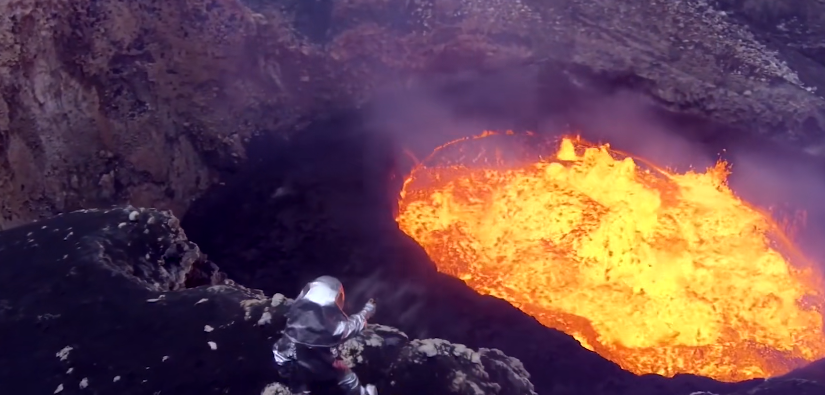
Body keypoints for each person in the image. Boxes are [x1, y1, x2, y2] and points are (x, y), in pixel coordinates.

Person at [272, 276, 378, 395]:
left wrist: (282, 366)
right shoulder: (332, 329)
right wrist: (366, 312)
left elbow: (281, 348)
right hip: (323, 369)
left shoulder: (293, 320)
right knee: (345, 374)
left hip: (298, 365)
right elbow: (353, 326)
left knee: (298, 382)